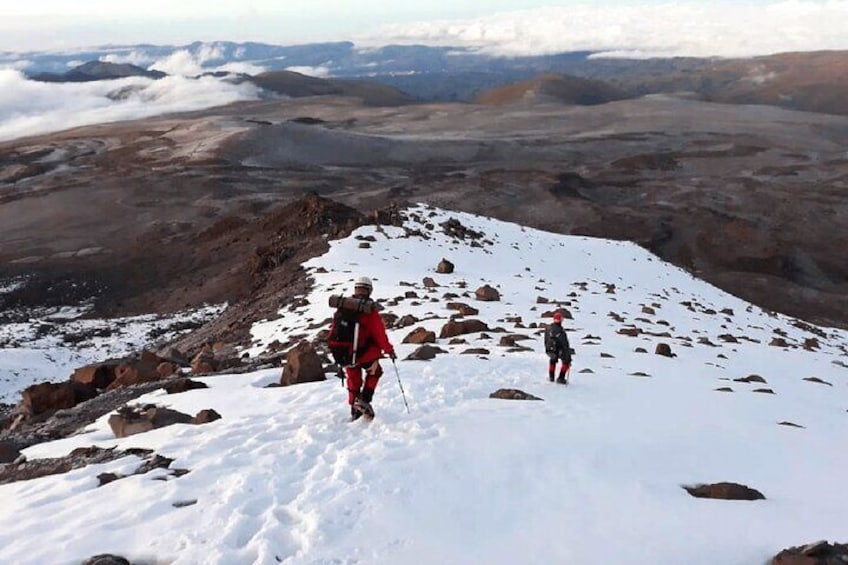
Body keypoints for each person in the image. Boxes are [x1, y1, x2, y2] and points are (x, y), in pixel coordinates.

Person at [343, 276, 396, 421]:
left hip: (345, 352)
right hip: (366, 353)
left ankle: (354, 411)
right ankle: (364, 400)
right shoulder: (369, 311)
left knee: (353, 380)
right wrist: (389, 350)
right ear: (369, 290)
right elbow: (380, 335)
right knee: (375, 372)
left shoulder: (344, 307)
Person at [544, 311, 572, 384]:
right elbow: (564, 343)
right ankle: (561, 378)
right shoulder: (560, 330)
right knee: (566, 362)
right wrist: (568, 355)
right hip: (560, 349)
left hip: (550, 349)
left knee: (552, 360)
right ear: (561, 319)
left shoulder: (548, 328)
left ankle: (551, 377)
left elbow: (546, 339)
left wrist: (547, 349)